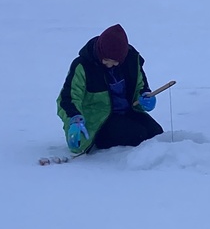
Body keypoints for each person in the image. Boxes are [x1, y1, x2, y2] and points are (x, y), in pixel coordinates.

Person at [57, 23, 163, 153]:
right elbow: (67, 98)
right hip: (99, 120)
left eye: (115, 62)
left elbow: (141, 86)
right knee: (137, 135)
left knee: (156, 133)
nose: (109, 65)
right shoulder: (83, 66)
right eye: (106, 60)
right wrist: (74, 119)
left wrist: (145, 96)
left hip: (127, 112)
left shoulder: (132, 60)